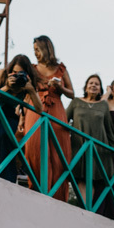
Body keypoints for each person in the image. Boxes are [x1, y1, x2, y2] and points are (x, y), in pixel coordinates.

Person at [21, 35, 74, 202]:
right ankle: (36, 194)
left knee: (59, 153)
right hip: (35, 109)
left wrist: (60, 87)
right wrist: (22, 116)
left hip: (56, 109)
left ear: (46, 49)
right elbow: (26, 93)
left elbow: (72, 94)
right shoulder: (32, 68)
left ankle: (58, 198)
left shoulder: (61, 68)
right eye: (34, 50)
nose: (35, 53)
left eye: (37, 49)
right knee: (34, 149)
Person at [66, 74, 114, 214]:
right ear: (86, 87)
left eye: (97, 84)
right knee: (80, 178)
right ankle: (83, 209)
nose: (93, 85)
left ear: (100, 90)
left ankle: (87, 211)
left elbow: (108, 127)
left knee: (90, 179)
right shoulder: (75, 102)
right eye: (91, 83)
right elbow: (64, 120)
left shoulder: (103, 105)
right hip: (79, 146)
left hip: (97, 148)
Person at [0, 55, 44, 185]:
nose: (16, 75)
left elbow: (39, 109)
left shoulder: (27, 83)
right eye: (13, 71)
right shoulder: (3, 74)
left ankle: (6, 179)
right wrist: (8, 86)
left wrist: (31, 90)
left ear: (27, 73)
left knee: (5, 137)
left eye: (20, 73)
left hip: (9, 114)